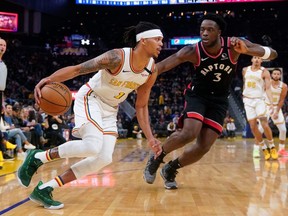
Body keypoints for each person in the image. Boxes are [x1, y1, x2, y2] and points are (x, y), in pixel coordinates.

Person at [17, 21, 163, 209]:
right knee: (92, 146)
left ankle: (44, 189)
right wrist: (49, 79)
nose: (161, 43)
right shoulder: (116, 57)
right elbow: (78, 69)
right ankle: (38, 157)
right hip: (91, 98)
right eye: (157, 39)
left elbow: (141, 106)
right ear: (143, 40)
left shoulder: (151, 70)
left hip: (111, 109)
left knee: (104, 158)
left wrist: (150, 138)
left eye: (162, 40)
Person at [143, 13, 277, 190]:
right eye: (202, 30)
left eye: (210, 30)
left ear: (219, 32)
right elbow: (162, 66)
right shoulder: (192, 51)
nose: (204, 33)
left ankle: (170, 169)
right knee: (189, 133)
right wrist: (139, 77)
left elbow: (272, 54)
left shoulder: (235, 46)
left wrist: (248, 51)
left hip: (219, 100)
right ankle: (157, 158)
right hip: (198, 95)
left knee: (204, 146)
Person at [242, 56, 278, 160]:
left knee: (264, 123)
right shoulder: (245, 70)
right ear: (251, 59)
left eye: (259, 58)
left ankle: (272, 146)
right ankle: (263, 147)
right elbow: (245, 84)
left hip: (259, 100)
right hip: (248, 101)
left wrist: (271, 103)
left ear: (262, 61)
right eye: (255, 58)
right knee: (253, 126)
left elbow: (268, 88)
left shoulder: (264, 72)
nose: (257, 60)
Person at [258, 68, 288, 157]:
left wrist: (277, 111)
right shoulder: (266, 83)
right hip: (266, 106)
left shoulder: (284, 86)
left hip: (276, 108)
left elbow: (282, 100)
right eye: (274, 74)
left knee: (283, 130)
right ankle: (258, 149)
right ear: (271, 75)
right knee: (260, 129)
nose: (276, 75)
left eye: (278, 74)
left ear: (280, 75)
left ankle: (281, 150)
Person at [0, 38, 7, 112]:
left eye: (4, 45)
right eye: (0, 45)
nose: (2, 47)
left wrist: (2, 101)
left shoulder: (3, 65)